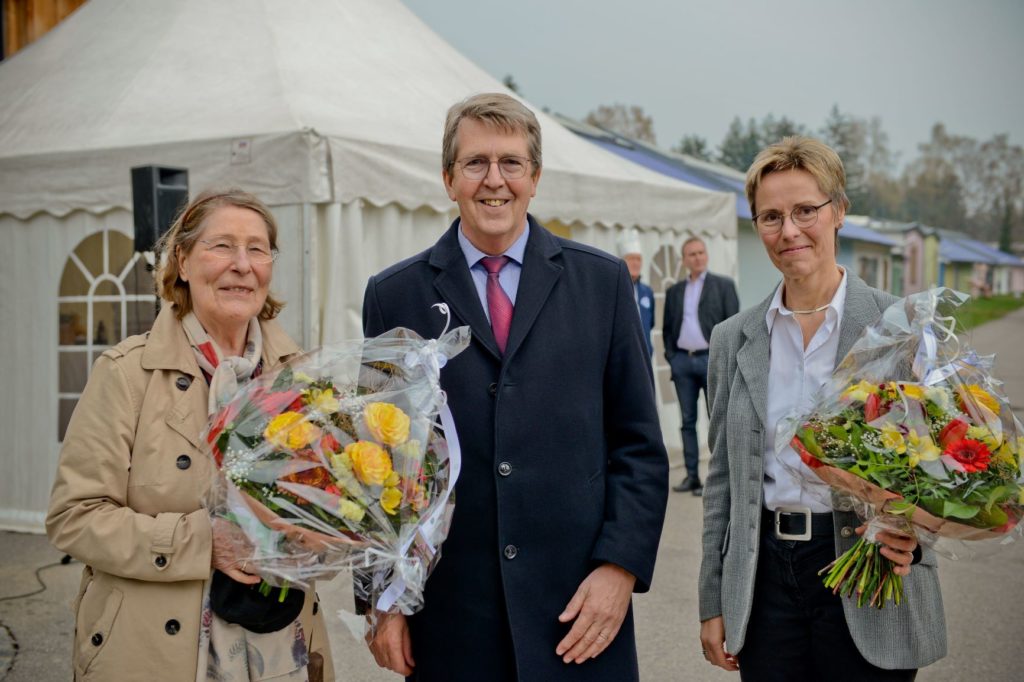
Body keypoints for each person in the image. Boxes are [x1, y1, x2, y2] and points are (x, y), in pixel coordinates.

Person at [361, 93, 668, 681]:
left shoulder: (600, 282)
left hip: (579, 611)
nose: (494, 181)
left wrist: (620, 569)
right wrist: (382, 599)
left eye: (511, 163)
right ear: (448, 179)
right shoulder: (394, 295)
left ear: (535, 178)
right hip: (452, 619)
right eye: (476, 163)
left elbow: (638, 446)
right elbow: (377, 461)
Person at [46, 189, 335, 682]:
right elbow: (74, 518)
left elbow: (328, 506)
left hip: (282, 648)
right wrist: (203, 542)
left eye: (257, 249)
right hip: (152, 653)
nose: (242, 265)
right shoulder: (126, 374)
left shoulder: (301, 377)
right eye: (222, 246)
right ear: (181, 261)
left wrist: (331, 533)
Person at [697, 137, 946, 681]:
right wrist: (712, 598)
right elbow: (722, 481)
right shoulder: (731, 338)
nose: (788, 231)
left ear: (838, 212)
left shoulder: (897, 326)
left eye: (805, 210)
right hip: (764, 579)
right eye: (770, 216)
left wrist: (914, 539)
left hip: (866, 566)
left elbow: (939, 466)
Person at [662, 236, 739, 495]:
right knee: (687, 421)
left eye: (701, 252)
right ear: (684, 260)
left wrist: (724, 361)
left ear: (706, 255)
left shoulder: (723, 286)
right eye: (691, 254)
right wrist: (672, 357)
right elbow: (667, 328)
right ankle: (692, 476)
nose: (697, 257)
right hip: (683, 360)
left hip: (711, 360)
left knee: (715, 420)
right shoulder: (674, 291)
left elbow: (733, 327)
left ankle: (716, 479)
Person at [617, 232, 655, 356]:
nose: (636, 263)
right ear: (622, 261)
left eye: (638, 259)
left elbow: (651, 322)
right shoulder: (615, 289)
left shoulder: (647, 291)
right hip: (623, 353)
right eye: (631, 258)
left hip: (645, 354)